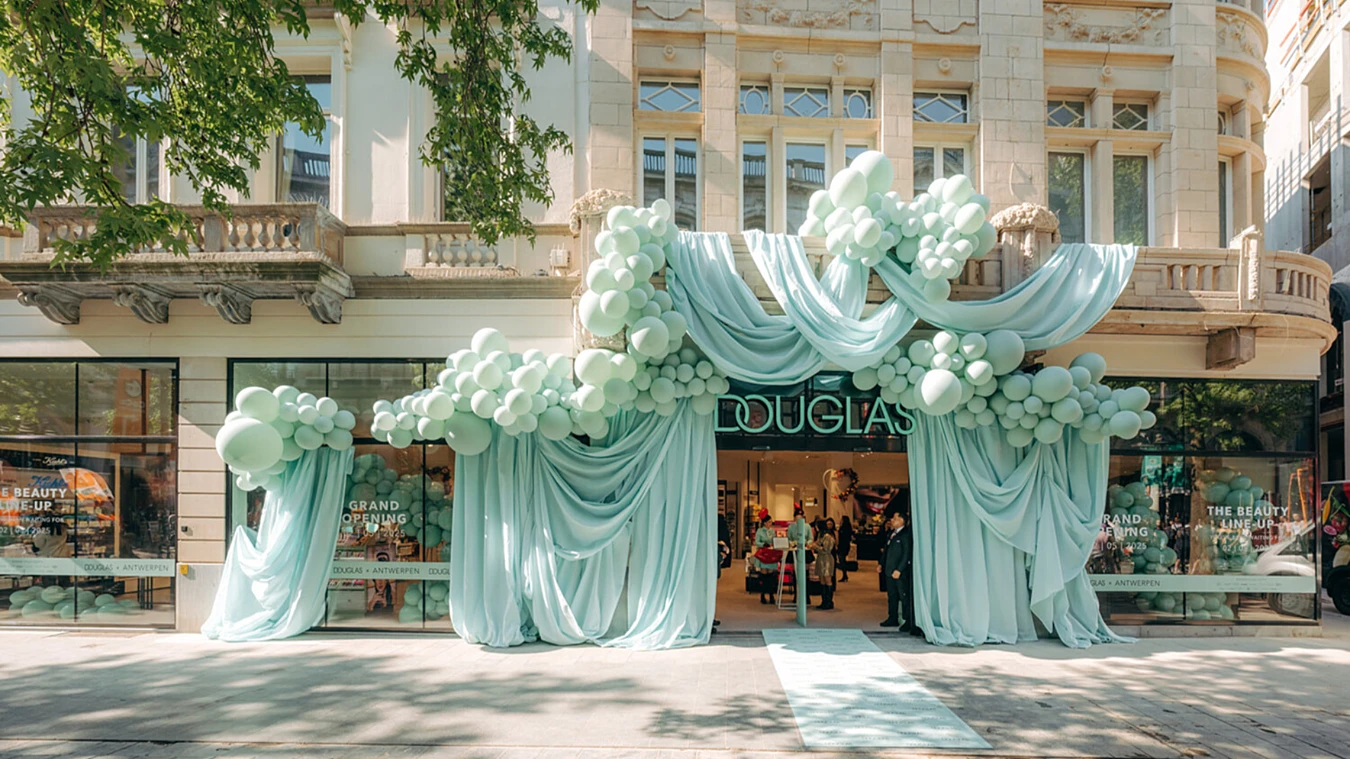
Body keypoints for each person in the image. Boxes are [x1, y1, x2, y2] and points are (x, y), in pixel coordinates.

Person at [879, 512, 915, 633]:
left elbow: (906, 554)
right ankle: (892, 617)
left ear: (901, 520)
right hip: (889, 570)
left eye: (895, 518)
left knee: (903, 595)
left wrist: (899, 569)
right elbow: (886, 550)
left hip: (900, 572)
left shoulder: (905, 534)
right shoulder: (892, 533)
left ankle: (908, 620)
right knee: (892, 595)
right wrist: (881, 563)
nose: (892, 520)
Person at [749, 510, 781, 605]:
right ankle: (762, 594)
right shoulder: (759, 531)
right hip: (763, 554)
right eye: (769, 522)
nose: (770, 524)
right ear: (764, 523)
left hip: (771, 554)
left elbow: (774, 540)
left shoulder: (772, 531)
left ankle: (771, 595)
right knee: (764, 575)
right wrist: (764, 544)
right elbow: (757, 542)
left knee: (771, 576)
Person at [812, 522, 837, 610]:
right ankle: (824, 601)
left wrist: (815, 546)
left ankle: (829, 601)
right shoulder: (820, 536)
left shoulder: (828, 537)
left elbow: (826, 550)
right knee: (821, 580)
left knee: (827, 579)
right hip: (820, 559)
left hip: (827, 560)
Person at [837, 516, 853, 582]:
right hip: (844, 545)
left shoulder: (845, 528)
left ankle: (844, 575)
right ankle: (845, 575)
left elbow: (845, 537)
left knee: (842, 560)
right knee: (842, 560)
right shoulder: (846, 527)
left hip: (843, 546)